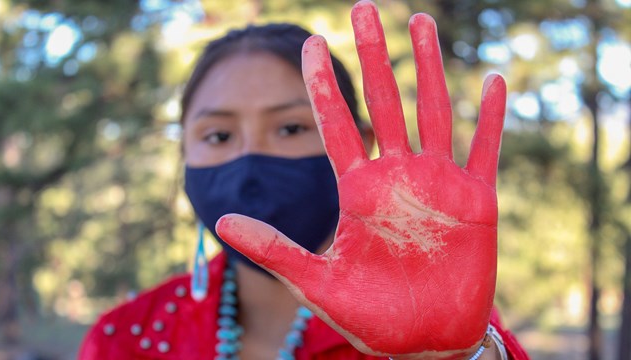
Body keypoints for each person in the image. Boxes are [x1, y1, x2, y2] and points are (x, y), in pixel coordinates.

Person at [79, 1, 530, 359]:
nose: (249, 160)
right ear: (184, 157)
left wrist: (454, 357)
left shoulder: (433, 321)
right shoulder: (126, 340)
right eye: (217, 135)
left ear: (364, 145)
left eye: (291, 128)